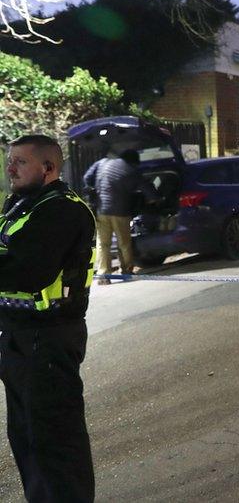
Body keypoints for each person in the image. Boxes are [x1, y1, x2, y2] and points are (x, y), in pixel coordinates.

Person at [0, 134, 96, 501]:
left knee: (53, 442)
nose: (11, 167)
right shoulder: (22, 206)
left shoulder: (61, 210)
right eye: (10, 160)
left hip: (48, 340)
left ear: (49, 168)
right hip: (19, 339)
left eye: (20, 161)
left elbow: (27, 272)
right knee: (26, 440)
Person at [84, 149, 156, 283]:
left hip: (101, 210)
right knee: (124, 243)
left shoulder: (102, 163)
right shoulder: (131, 169)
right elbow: (147, 188)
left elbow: (87, 178)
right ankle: (126, 271)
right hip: (120, 212)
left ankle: (103, 275)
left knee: (103, 244)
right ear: (134, 161)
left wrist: (95, 188)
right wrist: (154, 199)